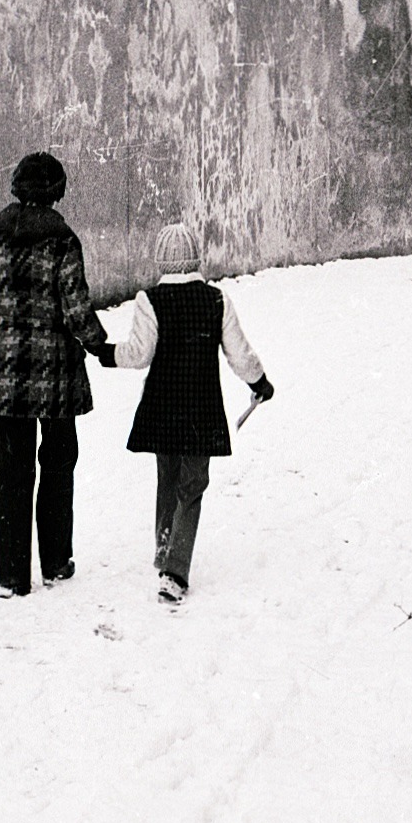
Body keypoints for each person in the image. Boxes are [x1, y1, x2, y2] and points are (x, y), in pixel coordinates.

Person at [0, 151, 111, 597]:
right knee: (58, 465)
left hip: (3, 371)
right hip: (56, 372)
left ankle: (12, 575)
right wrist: (100, 346)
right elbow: (76, 309)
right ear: (57, 191)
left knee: (9, 471)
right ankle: (56, 562)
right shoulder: (62, 241)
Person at [101, 221, 273, 605]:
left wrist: (109, 355)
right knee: (192, 486)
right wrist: (259, 382)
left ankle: (165, 547)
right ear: (197, 257)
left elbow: (139, 354)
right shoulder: (216, 300)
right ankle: (176, 570)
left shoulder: (150, 300)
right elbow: (239, 353)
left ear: (161, 260)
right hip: (201, 408)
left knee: (168, 477)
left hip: (163, 406)